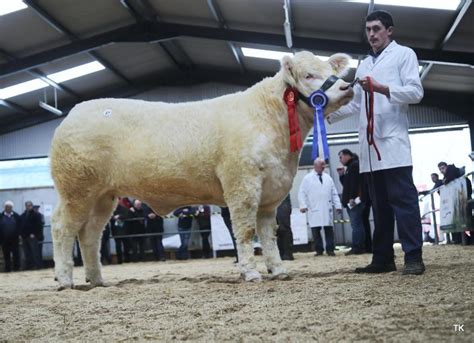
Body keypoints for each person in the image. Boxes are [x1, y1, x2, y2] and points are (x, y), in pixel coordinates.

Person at [327, 10, 425, 274]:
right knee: (380, 208)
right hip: (369, 151)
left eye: (376, 29)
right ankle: (382, 259)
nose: (371, 34)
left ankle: (413, 256)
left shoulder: (405, 54)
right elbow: (356, 104)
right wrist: (326, 114)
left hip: (392, 146)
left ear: (389, 31)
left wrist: (382, 88)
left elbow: (416, 92)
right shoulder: (364, 64)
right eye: (368, 29)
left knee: (403, 203)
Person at [298, 159, 342, 256]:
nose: (323, 166)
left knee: (329, 230)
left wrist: (338, 205)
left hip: (327, 207)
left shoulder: (328, 178)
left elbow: (334, 193)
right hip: (314, 207)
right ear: (315, 166)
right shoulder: (307, 178)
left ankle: (330, 249)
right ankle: (319, 250)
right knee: (315, 230)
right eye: (321, 164)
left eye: (324, 164)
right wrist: (303, 205)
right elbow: (302, 193)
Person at [337, 149, 366, 255]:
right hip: (353, 200)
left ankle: (357, 247)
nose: (340, 160)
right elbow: (347, 184)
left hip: (354, 201)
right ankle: (359, 246)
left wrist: (352, 197)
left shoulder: (354, 165)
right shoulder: (350, 167)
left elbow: (355, 183)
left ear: (347, 155)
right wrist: (342, 176)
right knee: (358, 224)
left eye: (341, 157)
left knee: (356, 224)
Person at [20, 201, 43, 270]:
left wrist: (35, 234)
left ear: (32, 206)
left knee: (35, 252)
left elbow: (39, 226)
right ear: (25, 206)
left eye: (30, 205)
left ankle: (37, 265)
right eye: (27, 206)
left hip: (32, 236)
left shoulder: (36, 215)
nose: (28, 207)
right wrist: (21, 234)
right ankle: (29, 266)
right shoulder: (23, 215)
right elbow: (21, 226)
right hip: (25, 236)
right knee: (27, 252)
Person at [0, 201, 21, 272]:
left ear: (12, 208)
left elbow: (20, 226)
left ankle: (16, 268)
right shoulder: (0, 216)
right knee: (6, 255)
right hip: (4, 239)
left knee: (16, 254)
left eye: (10, 207)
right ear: (5, 207)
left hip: (14, 239)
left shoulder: (16, 216)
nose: (8, 208)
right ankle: (7, 269)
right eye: (7, 207)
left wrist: (19, 235)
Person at [276, 194, 294, 260]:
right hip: (272, 199)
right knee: (277, 229)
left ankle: (287, 253)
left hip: (282, 199)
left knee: (284, 227)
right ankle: (281, 253)